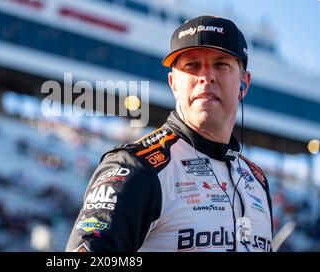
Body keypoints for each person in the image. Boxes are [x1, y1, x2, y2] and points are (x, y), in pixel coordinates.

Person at [66, 15, 273, 252]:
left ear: (243, 84)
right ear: (174, 83)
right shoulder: (138, 168)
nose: (206, 76)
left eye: (220, 64)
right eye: (192, 65)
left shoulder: (256, 180)